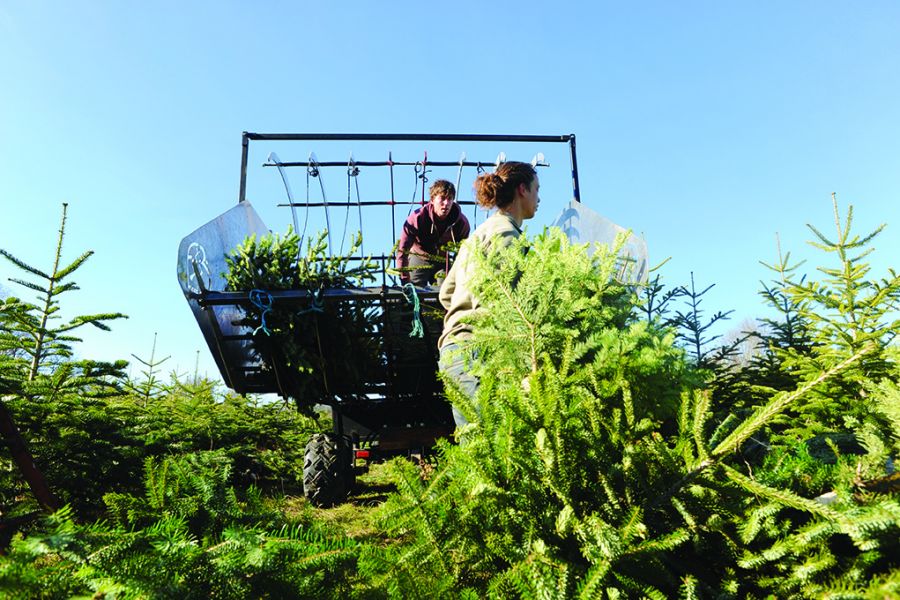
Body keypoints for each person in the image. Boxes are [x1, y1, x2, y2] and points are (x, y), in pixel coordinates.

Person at [437, 162, 540, 427]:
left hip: (454, 351)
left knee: (478, 451)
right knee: (496, 447)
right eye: (536, 190)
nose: (539, 198)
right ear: (522, 190)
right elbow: (508, 302)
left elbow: (447, 294)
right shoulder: (507, 235)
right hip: (478, 350)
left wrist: (465, 309)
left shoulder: (478, 233)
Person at [396, 180, 471, 287]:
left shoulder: (460, 223)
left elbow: (464, 251)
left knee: (446, 290)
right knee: (416, 290)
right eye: (442, 198)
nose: (446, 203)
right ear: (432, 199)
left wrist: (458, 273)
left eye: (449, 199)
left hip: (442, 260)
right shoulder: (417, 219)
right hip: (419, 256)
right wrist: (404, 278)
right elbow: (403, 250)